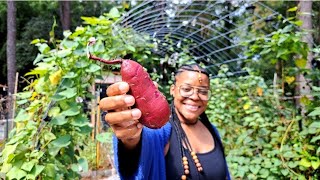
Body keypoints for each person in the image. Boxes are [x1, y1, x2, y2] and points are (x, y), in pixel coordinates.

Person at [100, 63, 231, 180]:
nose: (195, 97)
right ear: (172, 90)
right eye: (186, 89)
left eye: (203, 91)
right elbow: (138, 148)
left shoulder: (213, 131)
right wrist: (130, 137)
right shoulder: (160, 130)